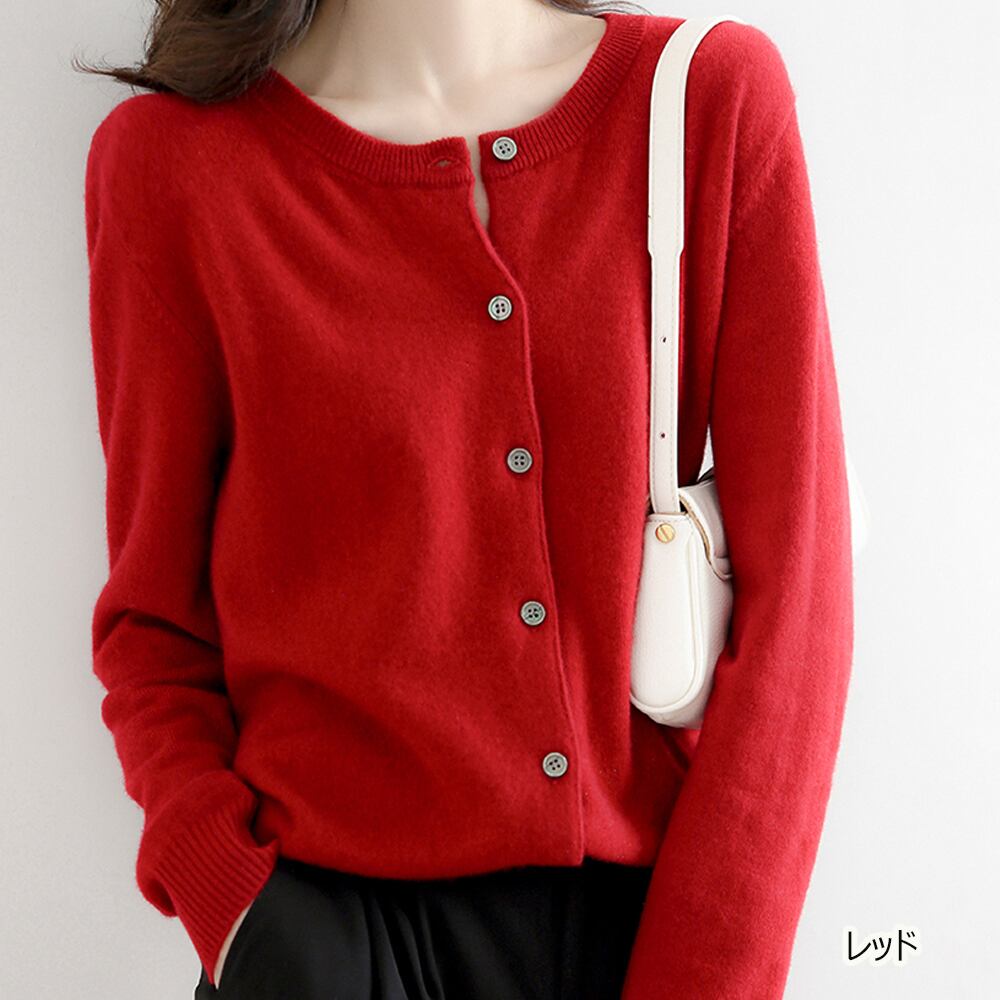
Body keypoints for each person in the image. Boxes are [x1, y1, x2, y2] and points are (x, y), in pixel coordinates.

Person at [79, 1, 854, 997]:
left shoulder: (703, 101)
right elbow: (153, 621)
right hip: (323, 935)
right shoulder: (171, 164)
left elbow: (800, 606)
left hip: (646, 929)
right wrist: (239, 915)